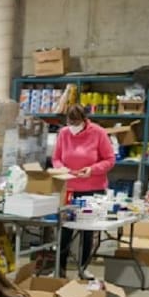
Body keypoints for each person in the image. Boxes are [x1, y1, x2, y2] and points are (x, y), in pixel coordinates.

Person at [53, 104, 116, 279]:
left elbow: (110, 160)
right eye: (70, 122)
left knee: (88, 230)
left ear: (84, 120)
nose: (73, 127)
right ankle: (60, 268)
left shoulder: (98, 133)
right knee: (65, 229)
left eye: (76, 123)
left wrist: (92, 169)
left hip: (92, 189)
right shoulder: (64, 133)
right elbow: (56, 158)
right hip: (69, 188)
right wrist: (62, 169)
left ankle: (84, 267)